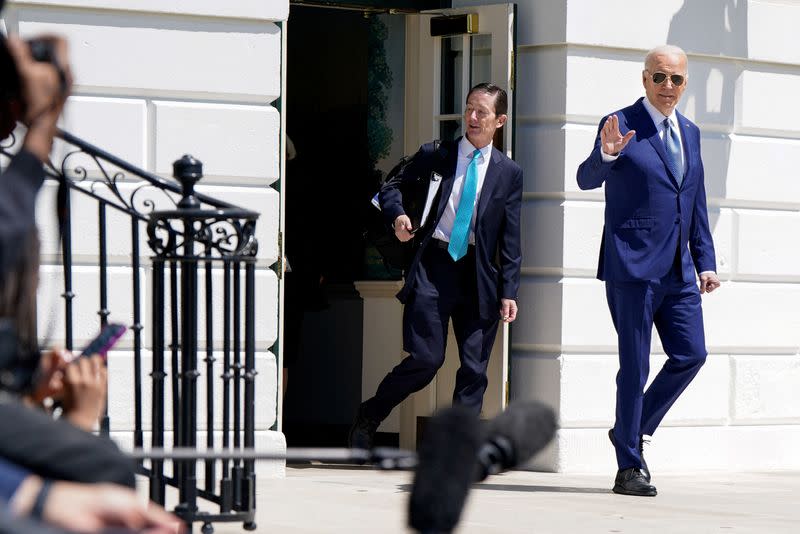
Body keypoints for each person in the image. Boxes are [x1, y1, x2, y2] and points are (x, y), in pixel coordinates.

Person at [576, 45, 721, 497]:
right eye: (659, 78)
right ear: (644, 80)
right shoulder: (619, 124)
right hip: (632, 267)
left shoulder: (692, 132)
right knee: (634, 367)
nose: (668, 87)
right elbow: (585, 177)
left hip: (679, 272)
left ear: (685, 83)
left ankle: (630, 430)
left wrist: (706, 262)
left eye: (676, 79)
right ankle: (629, 468)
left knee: (691, 354)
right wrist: (607, 155)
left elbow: (694, 199)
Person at [349, 83, 522, 449]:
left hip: (477, 274)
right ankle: (371, 413)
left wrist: (509, 291)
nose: (472, 118)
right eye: (469, 109)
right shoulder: (436, 154)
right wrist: (398, 217)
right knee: (427, 359)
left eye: (482, 112)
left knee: (475, 369)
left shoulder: (509, 172)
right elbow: (390, 187)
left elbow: (510, 236)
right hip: (434, 265)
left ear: (500, 120)